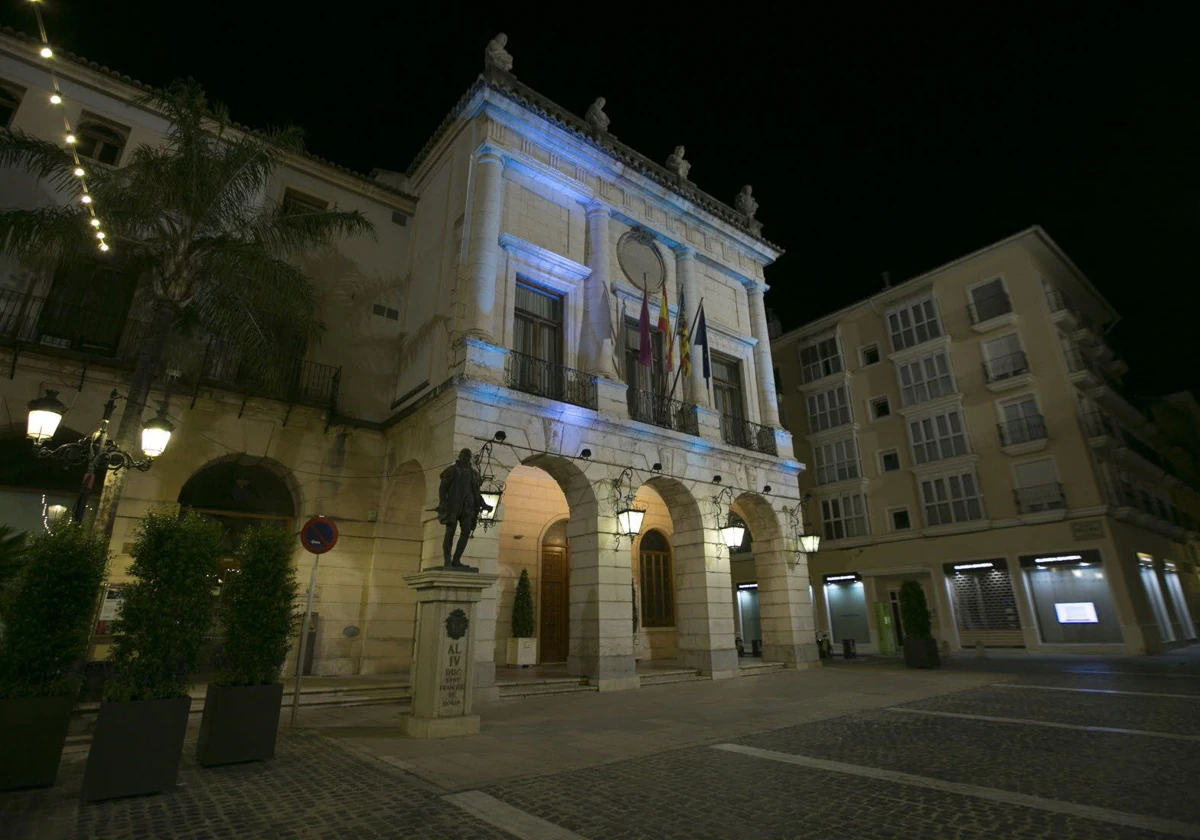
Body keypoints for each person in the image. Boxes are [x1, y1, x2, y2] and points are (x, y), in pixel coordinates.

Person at [438, 448, 491, 569]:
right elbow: (443, 488)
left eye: (468, 456)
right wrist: (442, 502)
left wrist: (484, 504)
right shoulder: (451, 470)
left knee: (466, 532)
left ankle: (456, 560)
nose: (466, 457)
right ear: (460, 456)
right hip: (453, 505)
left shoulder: (474, 474)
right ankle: (447, 560)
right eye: (464, 455)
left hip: (468, 506)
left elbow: (476, 492)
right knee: (450, 532)